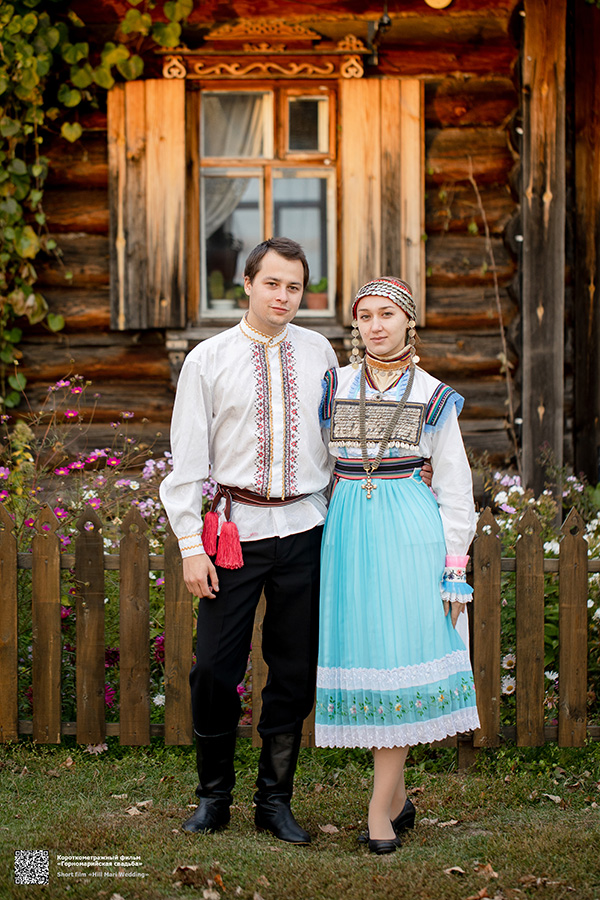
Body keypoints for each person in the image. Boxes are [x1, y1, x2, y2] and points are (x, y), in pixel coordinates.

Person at [159, 237, 339, 845]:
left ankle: (274, 802)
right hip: (236, 534)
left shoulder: (319, 352)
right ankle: (214, 798)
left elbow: (334, 440)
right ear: (248, 283)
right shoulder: (207, 360)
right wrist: (191, 546)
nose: (283, 296)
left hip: (306, 529)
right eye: (273, 283)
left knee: (293, 669)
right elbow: (187, 461)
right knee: (214, 668)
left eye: (294, 286)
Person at [314, 276, 480, 855]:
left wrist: (454, 568)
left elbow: (455, 486)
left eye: (387, 314)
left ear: (409, 320)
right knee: (370, 657)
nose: (375, 325)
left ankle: (377, 811)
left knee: (400, 656)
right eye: (365, 315)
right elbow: (317, 463)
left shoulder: (433, 394)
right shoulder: (335, 384)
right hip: (348, 528)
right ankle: (400, 797)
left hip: (409, 528)